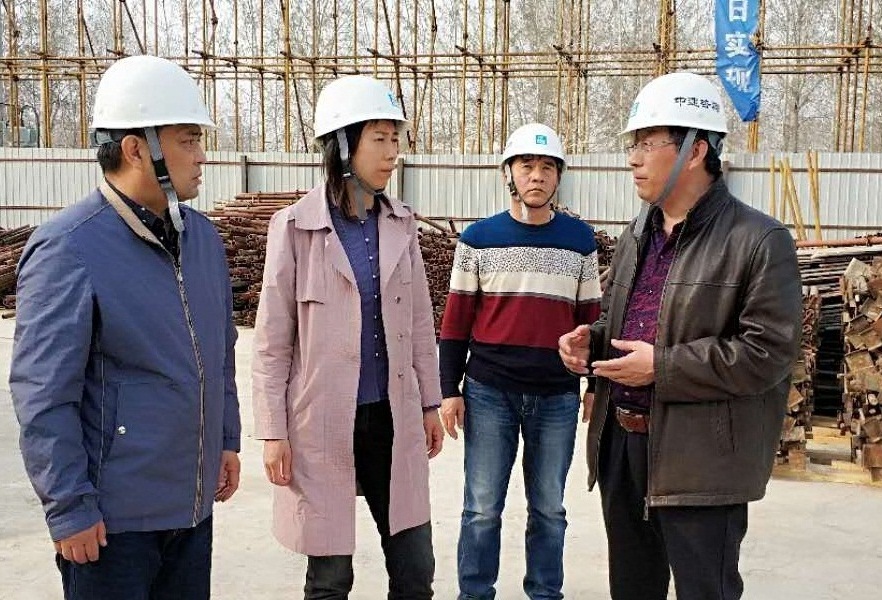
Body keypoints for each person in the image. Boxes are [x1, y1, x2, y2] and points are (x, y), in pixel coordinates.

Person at [558, 71, 802, 600]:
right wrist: (592, 342)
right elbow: (626, 320)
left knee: (704, 590)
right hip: (623, 447)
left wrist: (662, 367)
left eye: (647, 144)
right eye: (633, 145)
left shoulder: (759, 240)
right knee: (633, 588)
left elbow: (767, 354)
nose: (633, 158)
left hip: (701, 461)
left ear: (695, 150)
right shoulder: (638, 231)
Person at [10, 54, 241, 599]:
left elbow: (221, 353)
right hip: (112, 525)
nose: (202, 155)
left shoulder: (203, 241)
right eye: (188, 140)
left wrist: (225, 439)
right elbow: (43, 395)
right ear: (137, 149)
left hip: (190, 512)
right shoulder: (69, 248)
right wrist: (69, 507)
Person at [252, 74, 444, 600]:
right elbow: (272, 342)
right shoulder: (295, 228)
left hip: (393, 415)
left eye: (395, 139)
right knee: (331, 577)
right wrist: (273, 432)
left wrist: (430, 403)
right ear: (341, 145)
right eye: (379, 139)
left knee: (415, 568)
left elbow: (420, 324)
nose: (392, 152)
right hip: (321, 420)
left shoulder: (401, 224)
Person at [439, 123, 602, 600]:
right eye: (527, 165)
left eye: (547, 167)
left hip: (557, 396)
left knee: (549, 509)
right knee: (481, 508)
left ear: (559, 177)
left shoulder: (579, 241)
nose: (537, 175)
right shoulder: (479, 239)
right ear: (508, 173)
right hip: (489, 392)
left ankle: (545, 593)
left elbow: (593, 323)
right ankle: (475, 593)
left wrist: (594, 385)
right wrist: (449, 390)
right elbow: (455, 322)